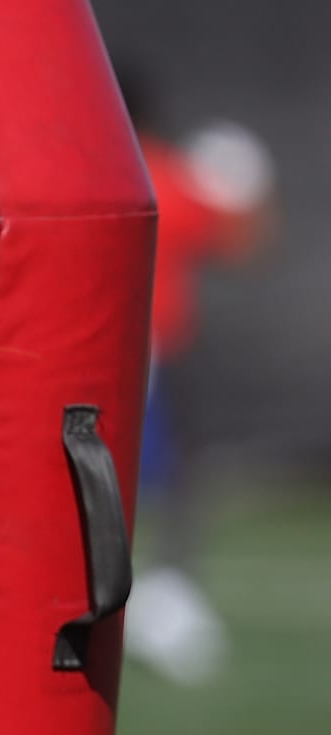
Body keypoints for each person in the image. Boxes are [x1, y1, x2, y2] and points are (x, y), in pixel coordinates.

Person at [117, 67, 273, 685]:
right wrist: (253, 181)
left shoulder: (88, 170)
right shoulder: (166, 176)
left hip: (90, 351)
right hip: (154, 353)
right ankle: (161, 595)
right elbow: (246, 240)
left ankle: (136, 596)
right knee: (172, 486)